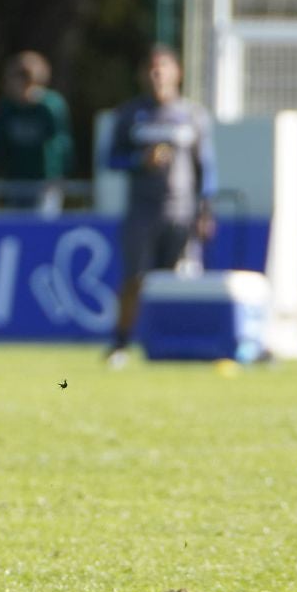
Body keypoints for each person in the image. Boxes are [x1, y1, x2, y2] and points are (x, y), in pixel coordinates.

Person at [103, 44, 217, 366]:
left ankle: (179, 345)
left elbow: (205, 167)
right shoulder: (130, 114)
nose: (158, 75)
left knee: (182, 280)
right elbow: (111, 159)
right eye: (151, 68)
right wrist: (140, 160)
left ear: (177, 72)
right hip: (142, 211)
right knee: (135, 279)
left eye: (163, 67)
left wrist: (205, 209)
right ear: (142, 74)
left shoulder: (192, 115)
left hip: (181, 212)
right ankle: (120, 343)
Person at [0, 50, 72, 210]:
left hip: (45, 186)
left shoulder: (50, 107)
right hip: (14, 185)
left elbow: (60, 146)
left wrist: (56, 177)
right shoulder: (7, 108)